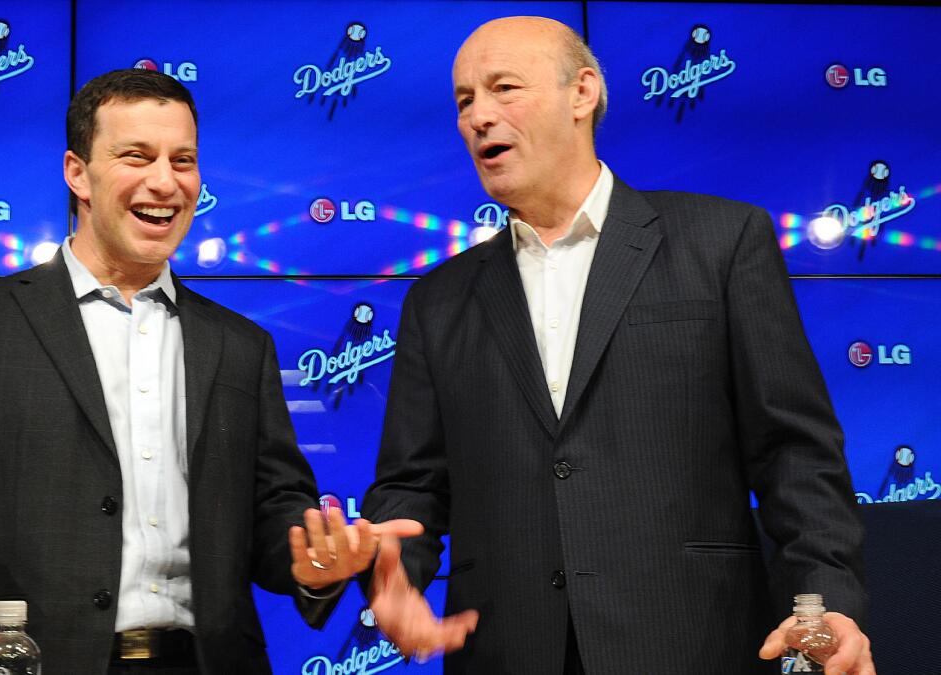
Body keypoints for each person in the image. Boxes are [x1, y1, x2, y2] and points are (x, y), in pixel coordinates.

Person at [361, 17, 875, 675]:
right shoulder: (437, 299)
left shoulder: (721, 243)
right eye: (464, 101)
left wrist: (822, 605)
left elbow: (794, 455)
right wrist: (390, 583)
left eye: (502, 89)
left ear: (582, 92)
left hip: (692, 646)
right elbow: (411, 488)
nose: (478, 116)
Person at [0, 69, 392, 674]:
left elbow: (274, 512)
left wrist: (314, 560)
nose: (165, 181)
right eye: (137, 156)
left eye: (183, 160)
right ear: (78, 172)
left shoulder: (241, 345)